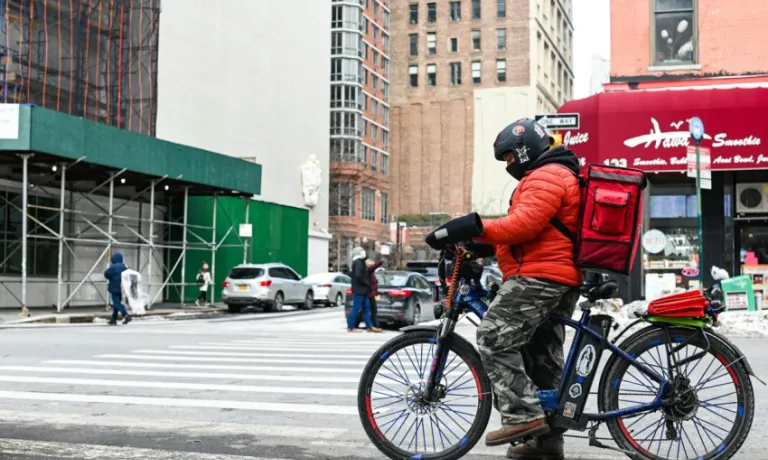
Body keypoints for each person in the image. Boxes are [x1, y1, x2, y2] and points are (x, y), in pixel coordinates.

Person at [471, 118, 582, 459]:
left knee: (493, 336)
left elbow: (523, 224)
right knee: (541, 358)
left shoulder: (547, 175)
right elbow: (538, 230)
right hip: (554, 274)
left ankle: (522, 417)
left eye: (508, 158)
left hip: (541, 277)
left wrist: (474, 228)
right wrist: (486, 244)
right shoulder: (553, 173)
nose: (508, 165)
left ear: (523, 150)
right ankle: (545, 443)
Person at [347, 247, 381, 333]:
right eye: (362, 251)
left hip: (364, 290)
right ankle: (351, 327)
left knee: (366, 308)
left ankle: (370, 326)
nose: (364, 253)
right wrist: (366, 282)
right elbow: (358, 275)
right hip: (359, 290)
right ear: (358, 253)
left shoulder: (361, 262)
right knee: (356, 307)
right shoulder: (358, 262)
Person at [103, 252, 132, 325]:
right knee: (117, 303)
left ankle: (126, 315)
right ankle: (114, 318)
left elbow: (107, 274)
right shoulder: (125, 266)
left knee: (116, 303)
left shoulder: (113, 266)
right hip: (123, 288)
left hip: (115, 287)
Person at [356, 257, 384, 328]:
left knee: (366, 310)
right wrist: (380, 262)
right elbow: (373, 267)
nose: (372, 265)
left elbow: (374, 283)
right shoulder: (368, 270)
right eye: (371, 264)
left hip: (371, 293)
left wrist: (376, 292)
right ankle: (374, 324)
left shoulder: (370, 272)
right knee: (372, 310)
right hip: (369, 294)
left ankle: (357, 323)